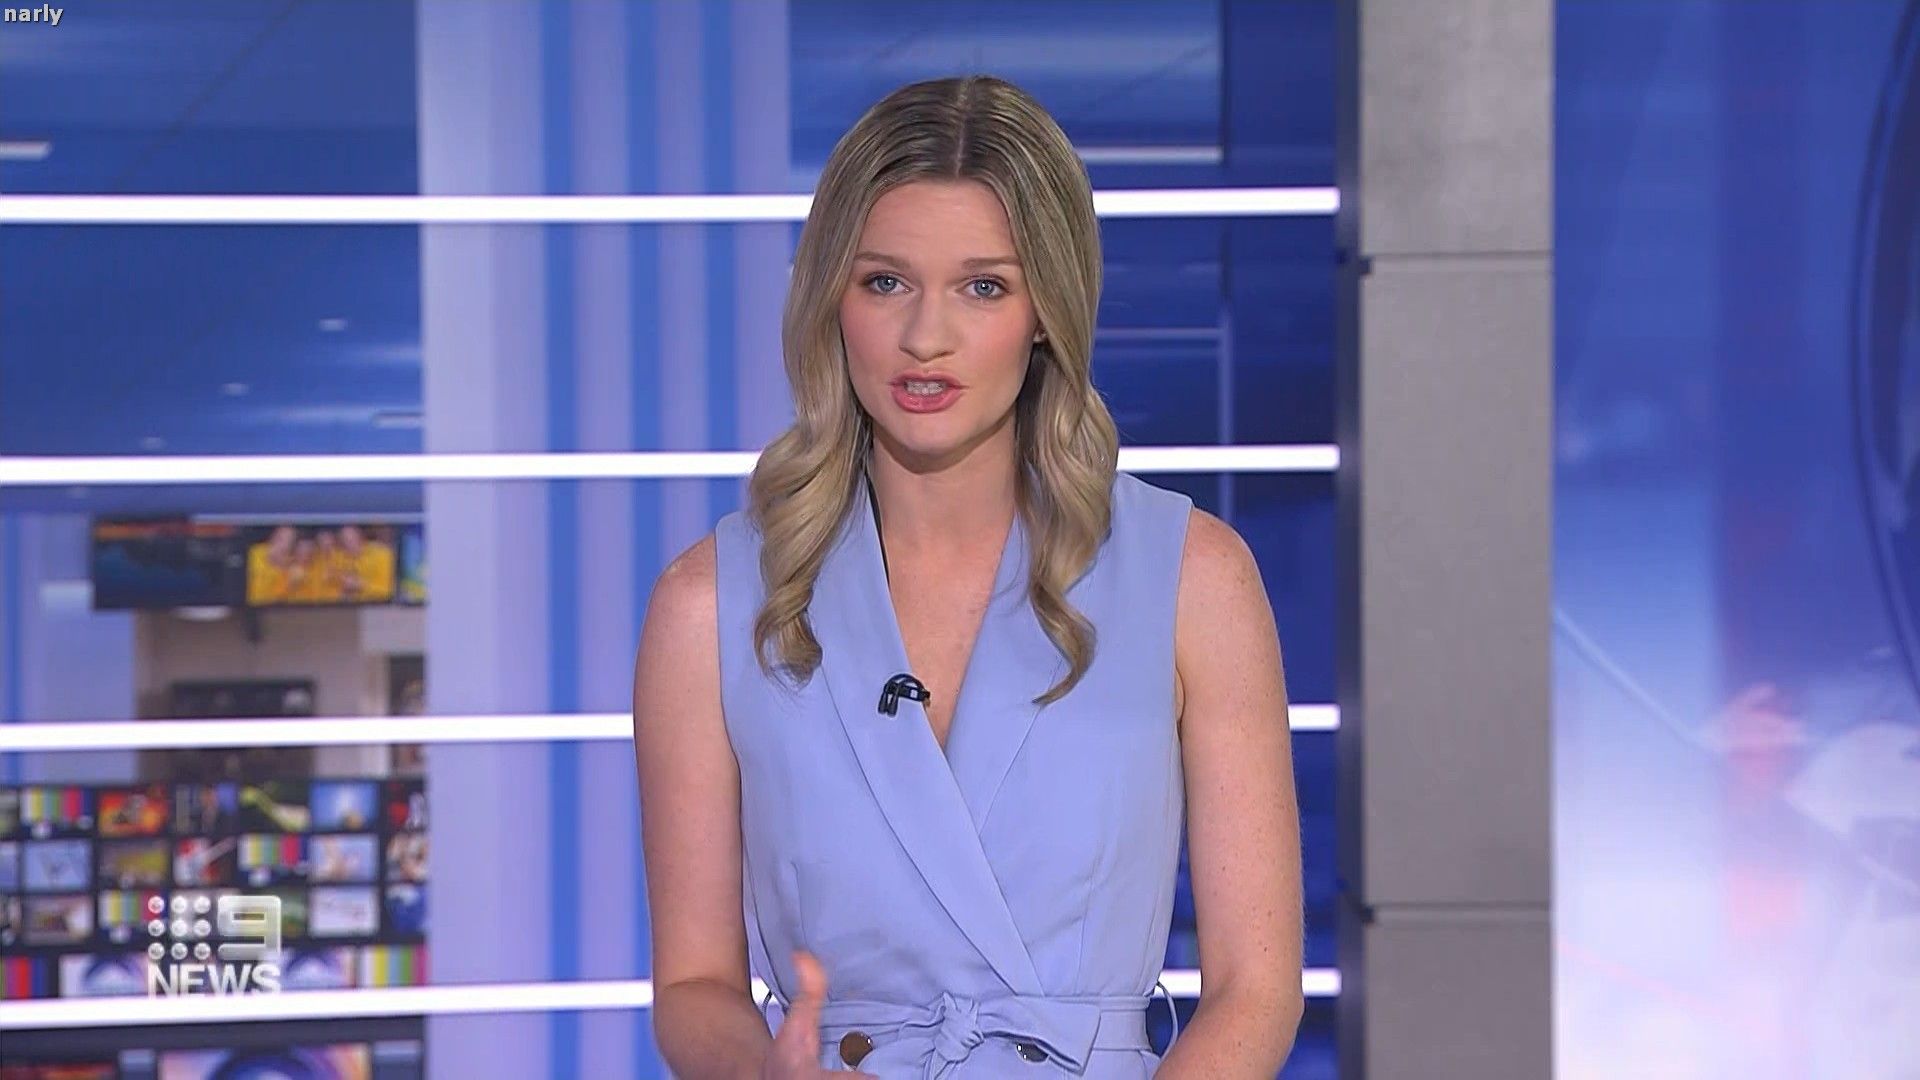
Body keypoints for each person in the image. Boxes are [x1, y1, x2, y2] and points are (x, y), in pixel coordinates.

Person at [633, 76, 1303, 1078]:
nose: (925, 337)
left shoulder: (1195, 579)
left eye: (983, 287)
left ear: (1046, 311)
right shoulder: (710, 607)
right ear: (831, 300)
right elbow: (694, 987)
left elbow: (1257, 987)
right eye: (885, 283)